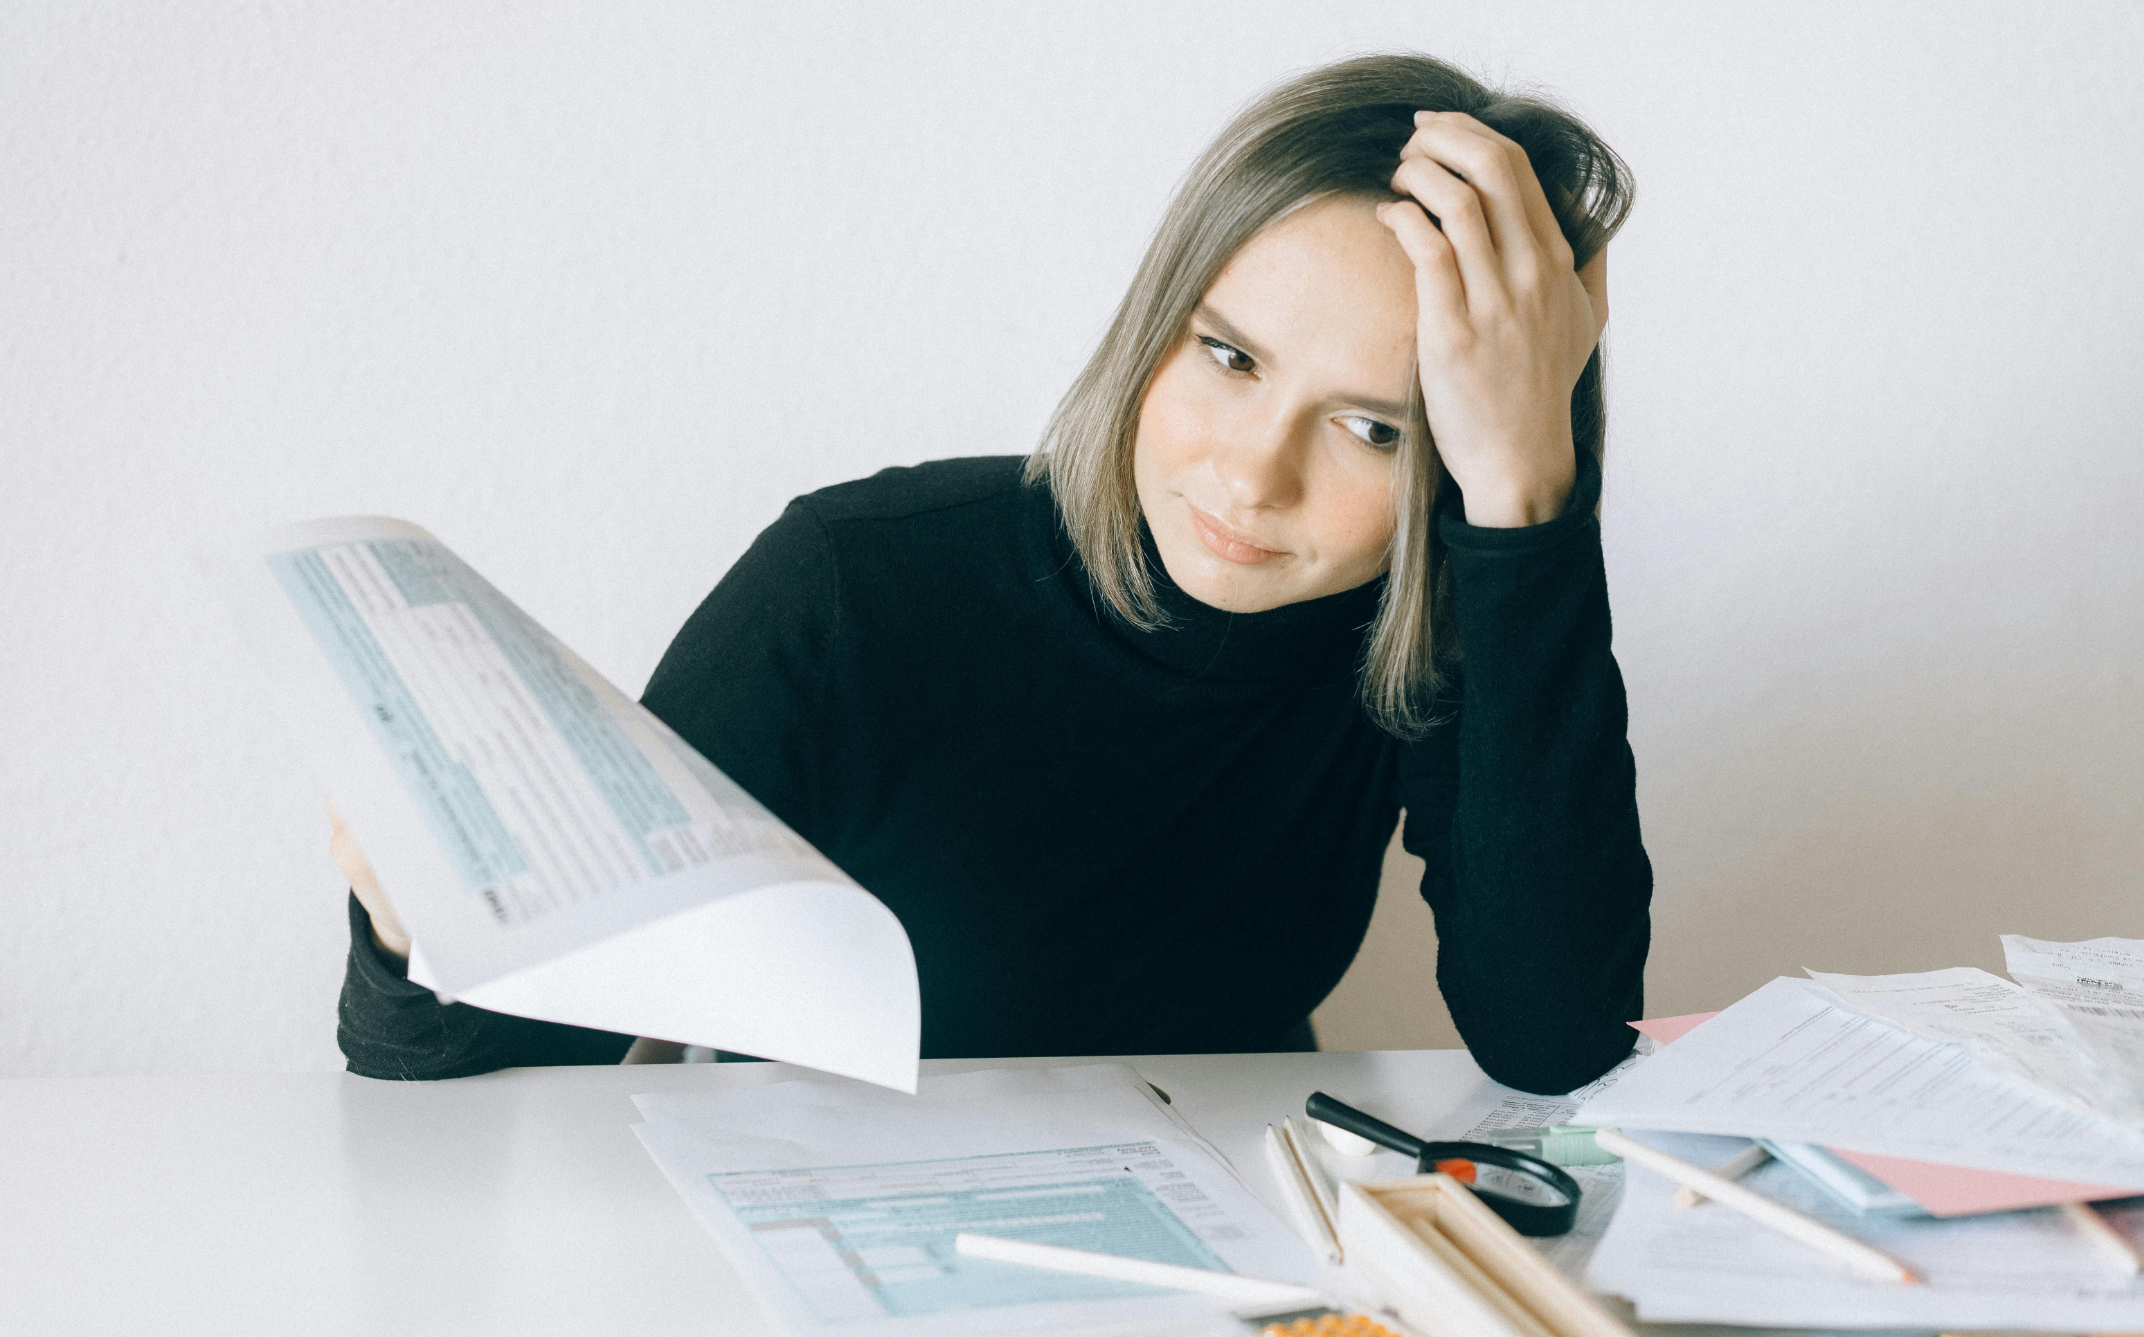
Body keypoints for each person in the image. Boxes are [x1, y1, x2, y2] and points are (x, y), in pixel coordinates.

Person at [332, 50, 1653, 1094]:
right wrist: (416, 927)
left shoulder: (1433, 633)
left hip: (1226, 1240)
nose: (1255, 476)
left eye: (1375, 429)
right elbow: (491, 1071)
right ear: (1156, 322)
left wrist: (1527, 504)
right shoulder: (851, 587)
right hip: (814, 1239)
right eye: (1229, 357)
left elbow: (1553, 1042)